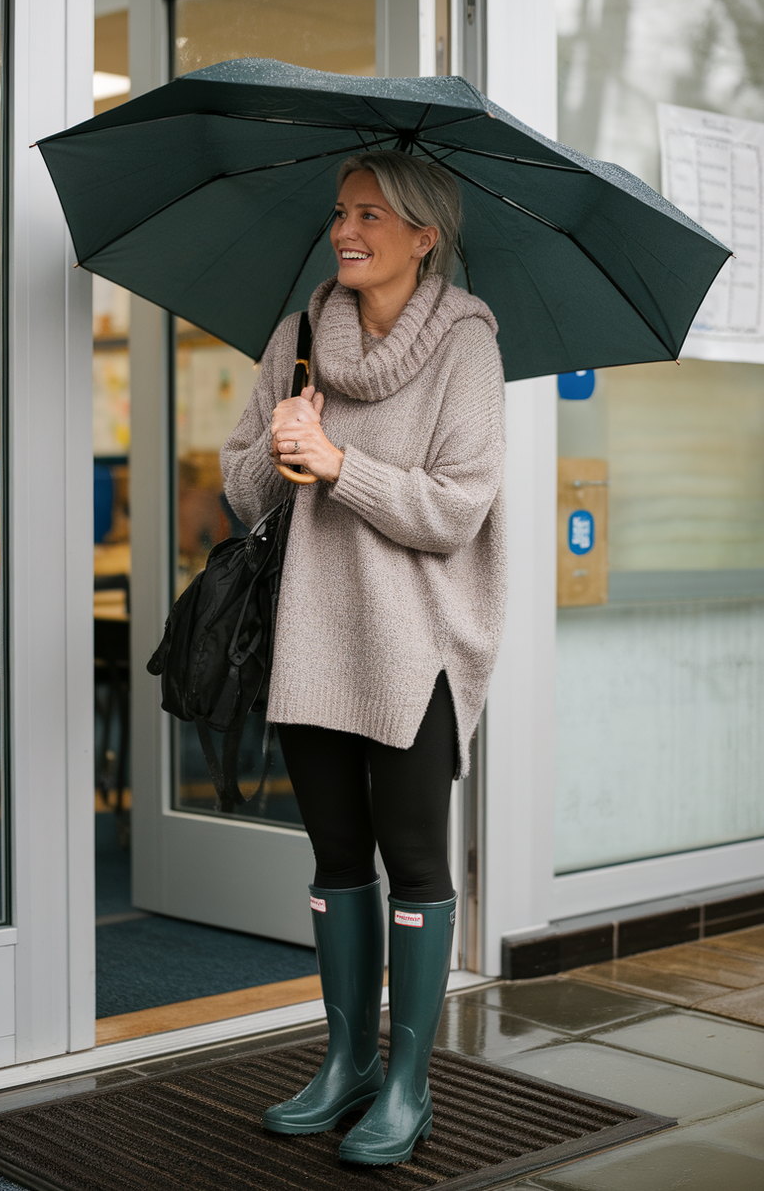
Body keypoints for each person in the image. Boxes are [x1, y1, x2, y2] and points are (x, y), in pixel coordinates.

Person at [220, 150, 506, 1166]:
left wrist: (341, 467)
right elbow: (243, 490)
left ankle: (407, 1083)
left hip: (414, 647)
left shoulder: (467, 344)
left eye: (372, 214)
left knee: (415, 862)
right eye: (342, 211)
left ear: (423, 237)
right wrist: (277, 451)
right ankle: (344, 1063)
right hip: (310, 642)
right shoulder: (297, 336)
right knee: (336, 860)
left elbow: (456, 509)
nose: (348, 228)